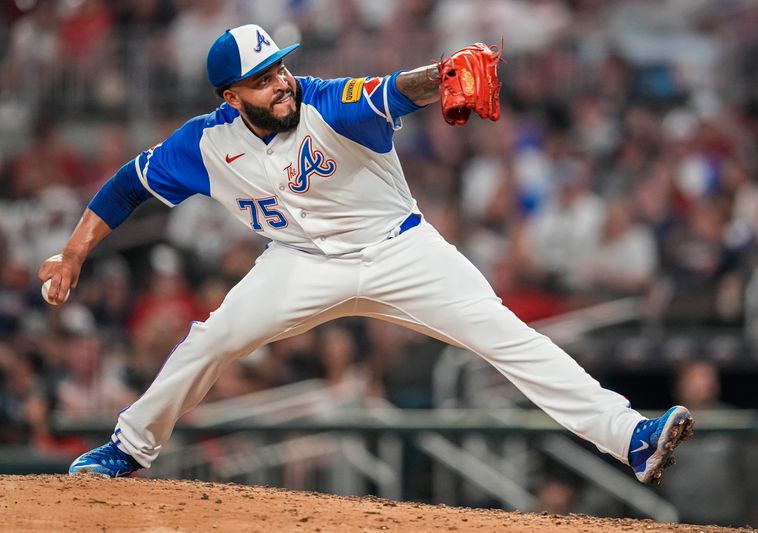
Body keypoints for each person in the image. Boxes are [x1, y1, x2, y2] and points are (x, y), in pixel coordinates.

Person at [41, 24, 693, 484]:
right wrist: (75, 248)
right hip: (299, 262)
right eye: (262, 79)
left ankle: (629, 436)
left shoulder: (327, 103)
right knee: (211, 340)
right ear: (230, 98)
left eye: (281, 67)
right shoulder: (205, 143)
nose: (281, 82)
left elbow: (394, 88)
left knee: (506, 337)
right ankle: (128, 446)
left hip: (402, 252)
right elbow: (130, 184)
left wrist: (441, 77)